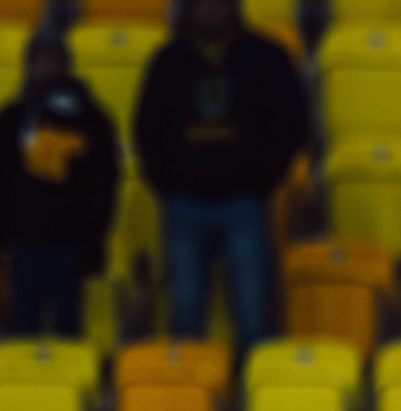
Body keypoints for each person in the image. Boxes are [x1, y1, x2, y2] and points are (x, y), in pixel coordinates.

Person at [132, 0, 310, 342]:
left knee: (254, 317)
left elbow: (292, 124)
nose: (212, 8)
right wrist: (170, 184)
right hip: (184, 205)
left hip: (245, 204)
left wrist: (261, 181)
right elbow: (146, 129)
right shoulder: (169, 61)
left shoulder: (267, 57)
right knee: (186, 319)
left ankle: (252, 376)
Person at [0, 28, 119, 339]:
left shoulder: (92, 120)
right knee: (23, 328)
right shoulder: (10, 119)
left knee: (68, 329)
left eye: (54, 60)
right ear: (28, 65)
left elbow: (104, 181)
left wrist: (96, 238)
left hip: (71, 241)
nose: (47, 67)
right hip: (25, 240)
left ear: (67, 65)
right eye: (40, 60)